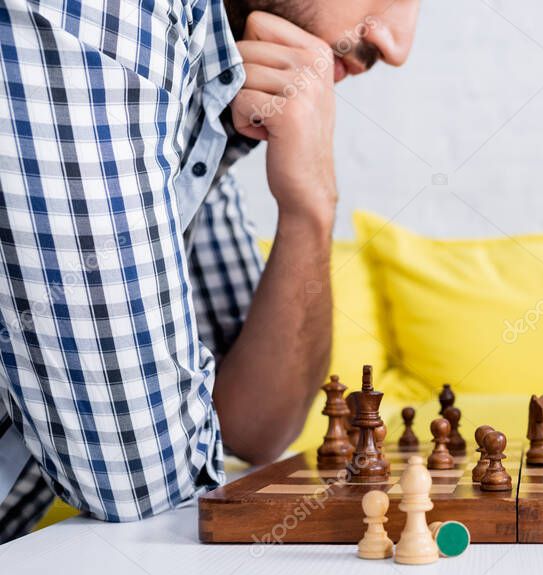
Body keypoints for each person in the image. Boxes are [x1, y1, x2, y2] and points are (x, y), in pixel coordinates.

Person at [0, 0, 420, 541]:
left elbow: (253, 428)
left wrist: (311, 208)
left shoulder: (200, 75)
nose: (399, 44)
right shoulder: (103, 17)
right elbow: (138, 483)